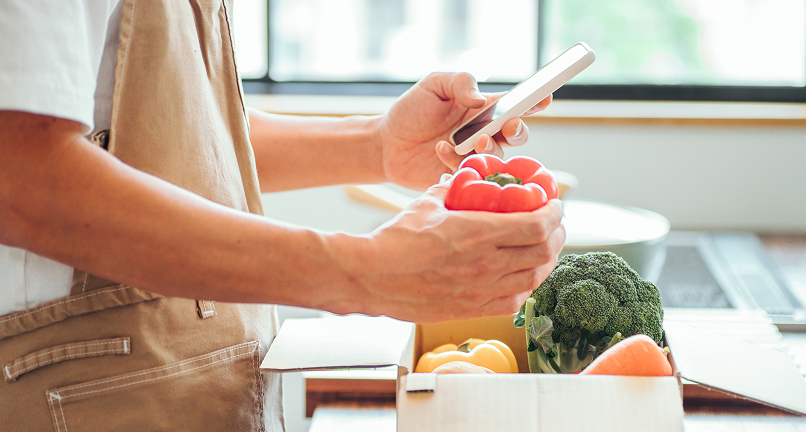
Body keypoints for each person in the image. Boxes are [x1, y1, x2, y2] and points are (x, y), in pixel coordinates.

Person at [0, 1, 565, 430]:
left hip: (188, 386)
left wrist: (377, 145)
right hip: (87, 399)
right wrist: (367, 270)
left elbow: (187, 135)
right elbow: (19, 176)